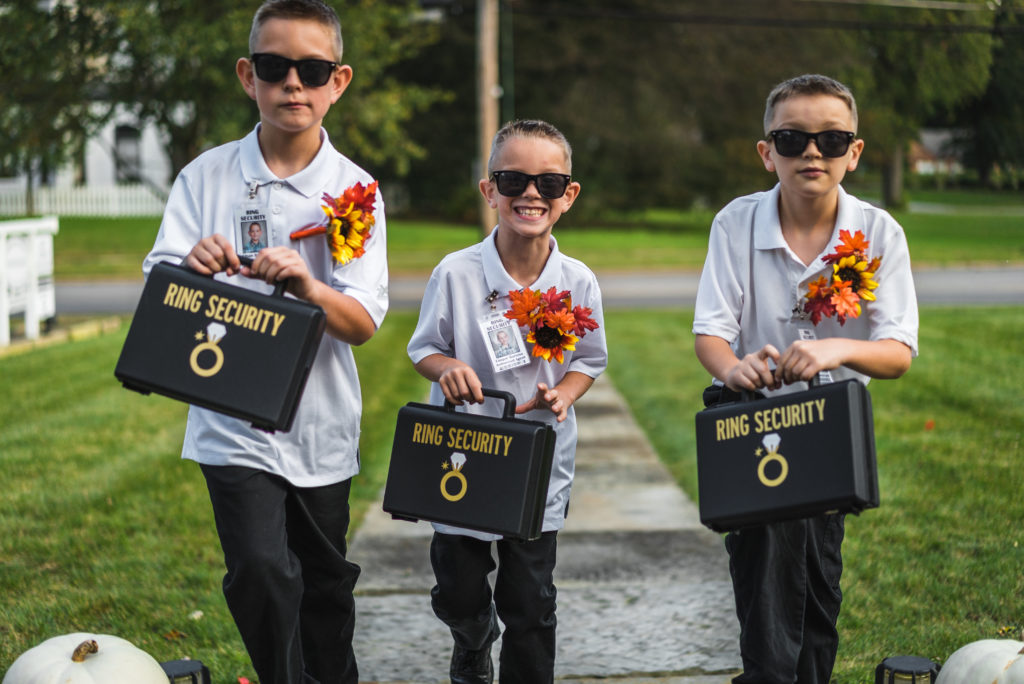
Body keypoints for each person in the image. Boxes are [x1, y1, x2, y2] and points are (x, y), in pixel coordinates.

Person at [141, 1, 388, 682]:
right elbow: (159, 283)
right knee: (258, 570)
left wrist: (310, 288)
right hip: (229, 417)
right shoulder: (206, 176)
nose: (293, 85)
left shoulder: (355, 192)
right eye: (276, 68)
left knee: (324, 585)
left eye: (312, 70)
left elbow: (364, 321)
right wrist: (192, 262)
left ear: (338, 81)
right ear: (249, 75)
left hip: (320, 424)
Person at [692, 73, 919, 683]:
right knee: (760, 571)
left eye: (831, 139)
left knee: (818, 577)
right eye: (792, 139)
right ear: (767, 152)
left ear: (855, 151)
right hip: (750, 419)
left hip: (827, 428)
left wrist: (833, 351)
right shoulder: (736, 224)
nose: (812, 153)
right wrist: (733, 367)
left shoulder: (876, 233)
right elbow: (710, 332)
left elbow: (897, 352)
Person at [407, 119, 607, 684]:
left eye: (548, 183)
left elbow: (589, 360)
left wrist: (563, 394)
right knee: (458, 585)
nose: (530, 194)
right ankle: (472, 637)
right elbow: (425, 348)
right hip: (464, 454)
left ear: (568, 196)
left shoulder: (577, 281)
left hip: (537, 459)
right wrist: (449, 370)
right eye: (513, 178)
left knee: (531, 598)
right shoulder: (457, 273)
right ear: (489, 189)